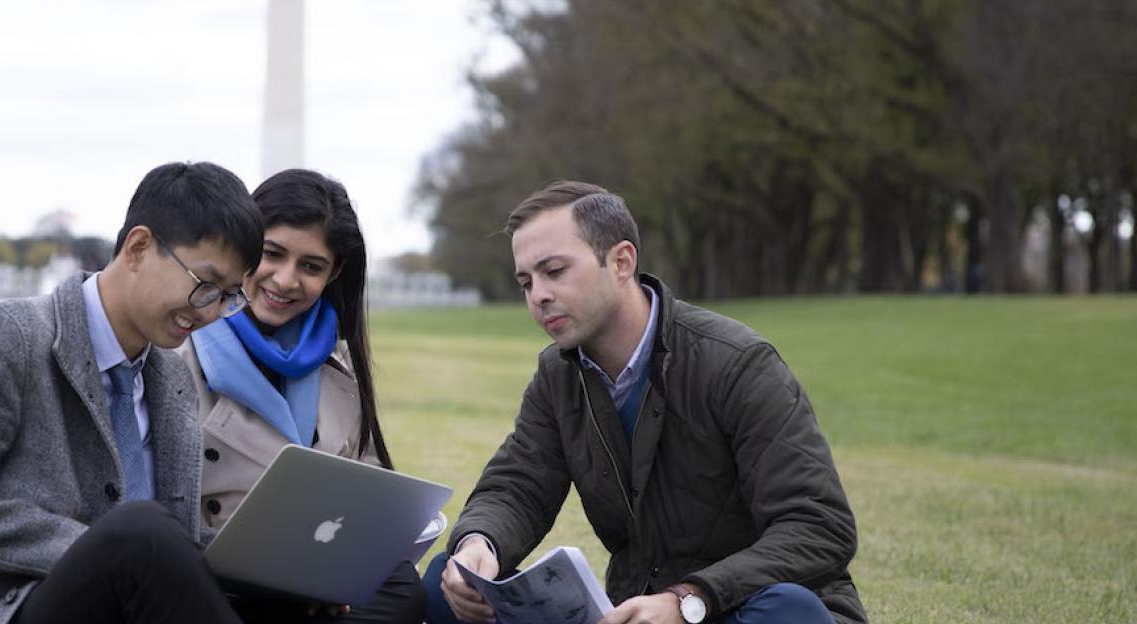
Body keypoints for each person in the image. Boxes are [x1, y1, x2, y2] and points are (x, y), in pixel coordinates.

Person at [427, 181, 867, 624]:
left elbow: (818, 527)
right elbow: (517, 487)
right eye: (526, 281)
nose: (538, 295)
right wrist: (479, 544)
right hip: (635, 613)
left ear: (621, 261)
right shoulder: (558, 375)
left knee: (786, 610)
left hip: (739, 607)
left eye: (554, 271)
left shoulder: (738, 363)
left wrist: (690, 600)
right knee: (448, 583)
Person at [0, 162, 264, 624]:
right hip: (9, 608)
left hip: (125, 605)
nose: (211, 313)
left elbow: (171, 542)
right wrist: (93, 550)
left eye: (229, 296)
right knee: (137, 529)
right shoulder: (13, 337)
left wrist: (275, 573)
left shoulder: (172, 377)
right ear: (139, 247)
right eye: (205, 286)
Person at [174, 169, 422, 623]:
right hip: (215, 575)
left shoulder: (340, 361)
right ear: (244, 244)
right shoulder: (178, 347)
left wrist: (346, 558)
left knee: (404, 586)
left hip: (312, 568)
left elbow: (365, 477)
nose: (286, 281)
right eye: (272, 254)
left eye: (311, 266)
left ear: (335, 273)